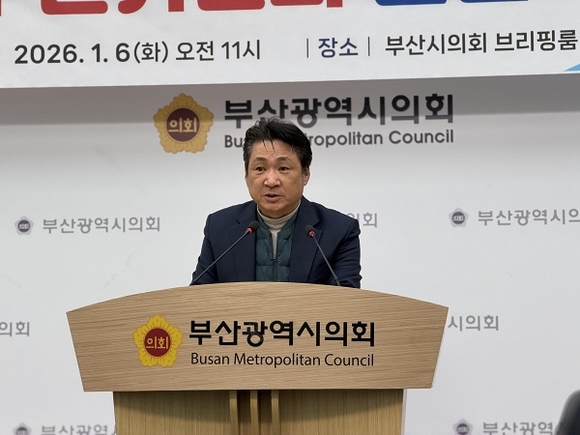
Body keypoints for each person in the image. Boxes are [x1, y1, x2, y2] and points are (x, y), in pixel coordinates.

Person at [190, 117, 361, 288]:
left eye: (283, 168)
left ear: (306, 174)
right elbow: (198, 295)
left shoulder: (340, 231)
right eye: (260, 169)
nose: (271, 181)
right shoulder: (219, 227)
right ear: (246, 175)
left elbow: (346, 300)